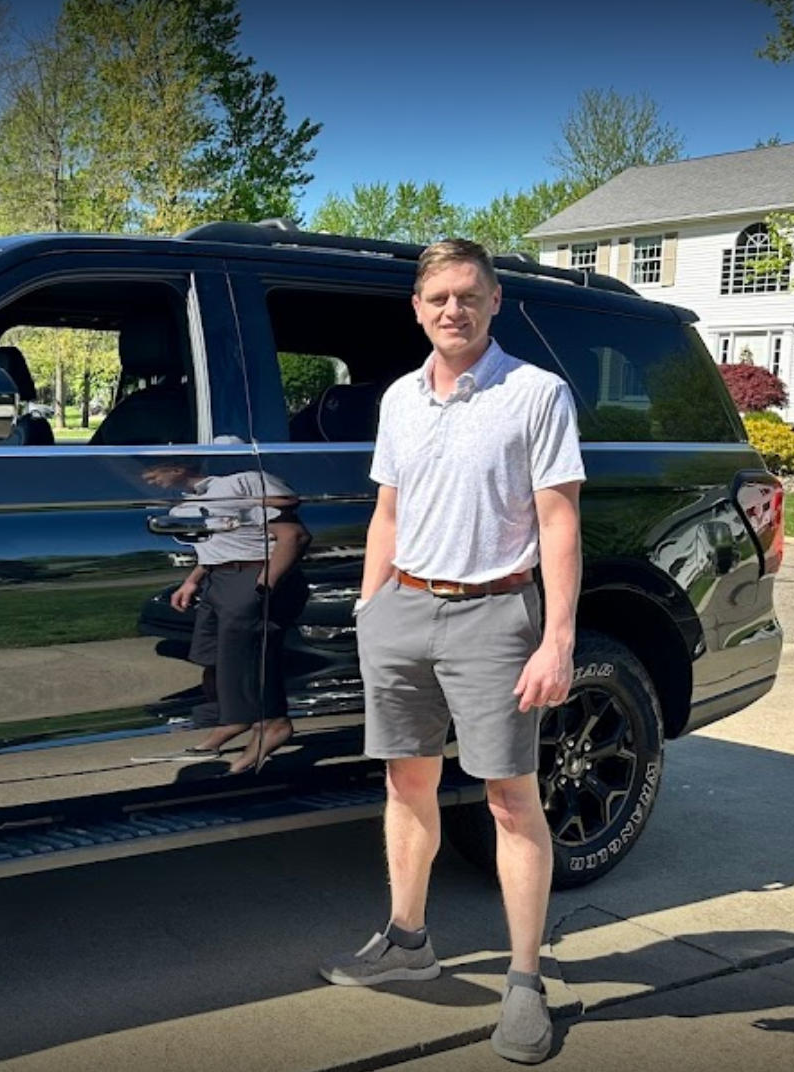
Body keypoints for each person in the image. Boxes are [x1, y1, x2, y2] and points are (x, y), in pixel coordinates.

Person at [318, 239, 585, 1066]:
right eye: (438, 297)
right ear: (418, 307)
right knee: (407, 778)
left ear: (495, 300)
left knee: (509, 798)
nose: (453, 310)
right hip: (402, 609)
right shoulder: (400, 399)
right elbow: (387, 512)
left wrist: (557, 639)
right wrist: (371, 606)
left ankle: (525, 982)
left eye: (469, 295)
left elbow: (558, 520)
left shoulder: (536, 393)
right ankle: (406, 942)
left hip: (495, 616)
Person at [139, 454, 310, 773]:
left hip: (253, 573)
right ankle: (234, 721)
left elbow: (294, 535)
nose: (148, 478)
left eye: (153, 472)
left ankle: (272, 725)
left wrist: (263, 584)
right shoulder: (190, 503)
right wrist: (192, 581)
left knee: (247, 656)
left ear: (177, 468)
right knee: (215, 658)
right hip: (218, 580)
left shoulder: (239, 482)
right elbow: (222, 543)